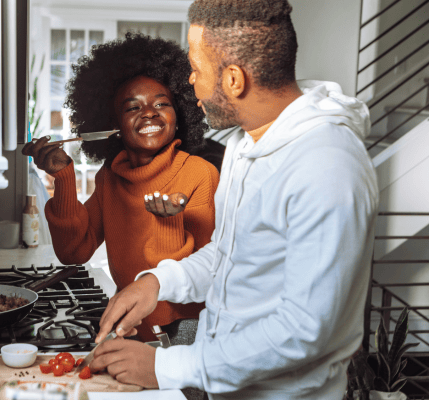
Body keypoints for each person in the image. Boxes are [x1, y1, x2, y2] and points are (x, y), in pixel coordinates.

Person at [90, 1, 380, 398]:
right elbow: (231, 255)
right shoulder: (247, 145)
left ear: (233, 79)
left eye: (196, 67)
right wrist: (160, 282)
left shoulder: (327, 166)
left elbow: (304, 330)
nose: (189, 81)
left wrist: (167, 366)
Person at [22, 32, 220, 344]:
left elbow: (207, 274)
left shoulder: (200, 173)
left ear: (179, 116)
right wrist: (63, 178)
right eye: (132, 107)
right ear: (113, 124)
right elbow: (74, 251)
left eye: (162, 103)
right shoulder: (110, 177)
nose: (149, 112)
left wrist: (168, 222)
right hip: (130, 324)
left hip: (185, 330)